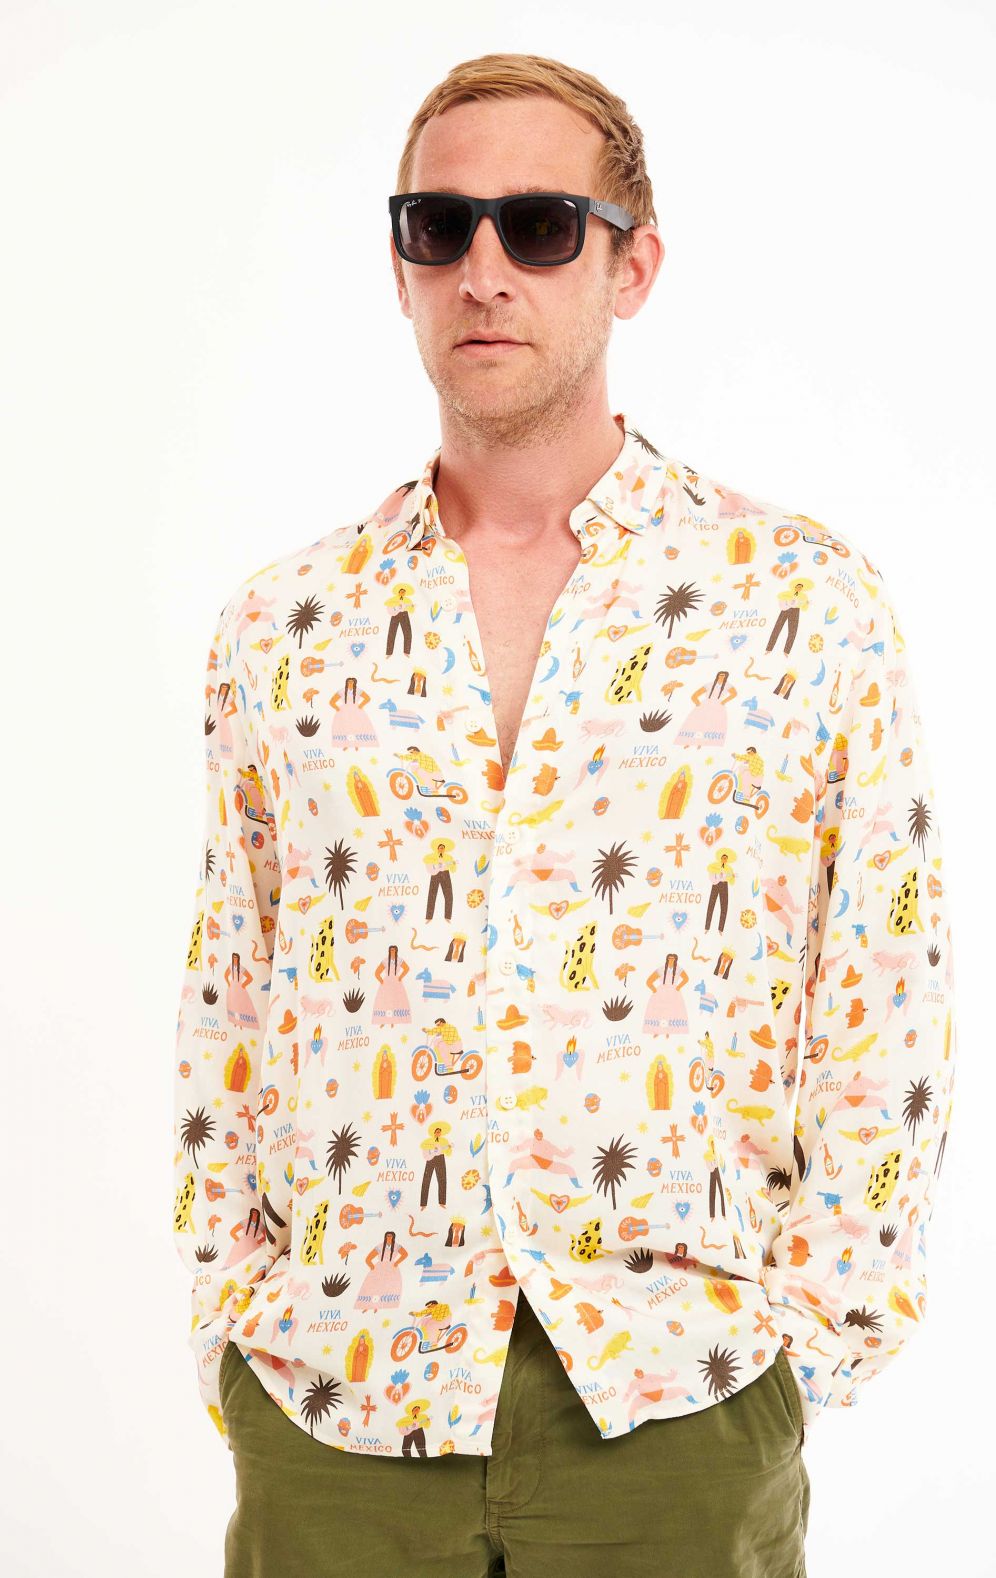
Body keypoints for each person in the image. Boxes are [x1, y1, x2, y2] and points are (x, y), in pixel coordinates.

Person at [171, 50, 958, 1578]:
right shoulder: (283, 628)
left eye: (538, 227)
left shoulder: (799, 604)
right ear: (400, 266)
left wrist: (806, 1348)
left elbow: (887, 986)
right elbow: (230, 994)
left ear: (630, 266)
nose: (483, 270)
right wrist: (232, 1324)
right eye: (439, 226)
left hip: (679, 1400)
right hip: (336, 1396)